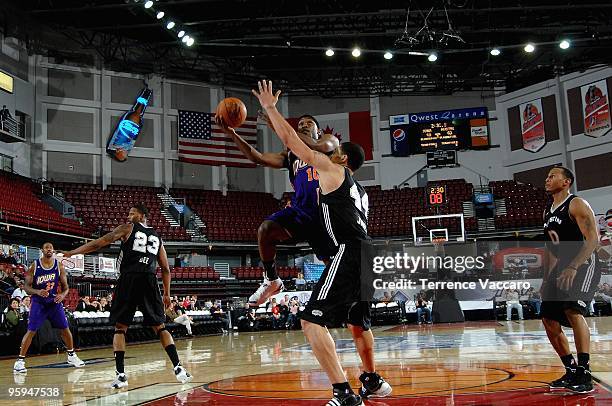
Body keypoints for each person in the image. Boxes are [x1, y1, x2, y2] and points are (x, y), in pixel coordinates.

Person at [252, 80, 391, 406]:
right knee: (359, 324)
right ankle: (371, 379)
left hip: (351, 251)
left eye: (335, 151)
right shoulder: (362, 190)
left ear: (342, 159)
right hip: (368, 255)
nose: (328, 152)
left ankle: (343, 393)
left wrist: (271, 108)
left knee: (310, 319)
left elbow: (289, 139)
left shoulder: (332, 170)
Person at [217, 108, 338, 307]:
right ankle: (272, 279)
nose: (303, 125)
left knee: (333, 268)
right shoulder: (290, 156)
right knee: (266, 229)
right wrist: (232, 133)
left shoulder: (328, 142)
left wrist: (276, 124)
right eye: (300, 124)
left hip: (326, 214)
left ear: (318, 130)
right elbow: (257, 157)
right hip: (302, 212)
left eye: (308, 123)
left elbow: (315, 144)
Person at [61, 204, 192, 388]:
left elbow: (101, 242)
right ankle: (178, 367)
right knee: (160, 327)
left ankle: (121, 375)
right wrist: (167, 294)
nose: (128, 216)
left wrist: (73, 252)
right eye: (128, 213)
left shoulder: (127, 228)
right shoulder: (157, 237)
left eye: (132, 213)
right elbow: (166, 269)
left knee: (120, 328)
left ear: (143, 215)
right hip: (149, 280)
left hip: (129, 279)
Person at [541, 166, 601, 393]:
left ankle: (584, 372)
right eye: (547, 177)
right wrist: (547, 279)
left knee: (572, 311)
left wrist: (574, 266)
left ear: (566, 182)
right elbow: (552, 250)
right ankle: (570, 369)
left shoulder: (576, 204)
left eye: (553, 176)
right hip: (561, 266)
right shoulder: (547, 210)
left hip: (583, 263)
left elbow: (593, 239)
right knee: (548, 318)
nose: (547, 180)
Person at [13, 242, 84, 373]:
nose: (49, 249)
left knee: (65, 329)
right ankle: (20, 361)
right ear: (42, 250)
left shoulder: (59, 266)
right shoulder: (34, 265)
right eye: (47, 247)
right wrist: (37, 291)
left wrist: (62, 295)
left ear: (53, 251)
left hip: (53, 302)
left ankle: (71, 355)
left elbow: (66, 287)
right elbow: (27, 287)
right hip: (39, 302)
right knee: (31, 331)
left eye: (51, 248)